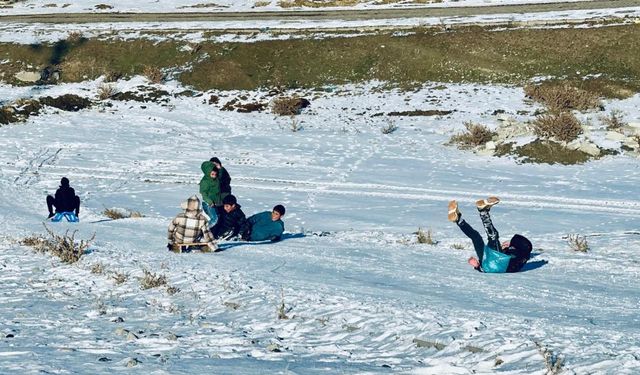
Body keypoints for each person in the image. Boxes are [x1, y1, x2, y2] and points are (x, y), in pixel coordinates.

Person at [448, 197, 532, 273]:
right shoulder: (520, 258)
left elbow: (509, 258)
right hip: (486, 265)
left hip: (496, 262)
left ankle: (483, 211)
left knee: (493, 236)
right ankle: (458, 219)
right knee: (476, 237)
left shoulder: (519, 254)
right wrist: (477, 266)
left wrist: (508, 247)